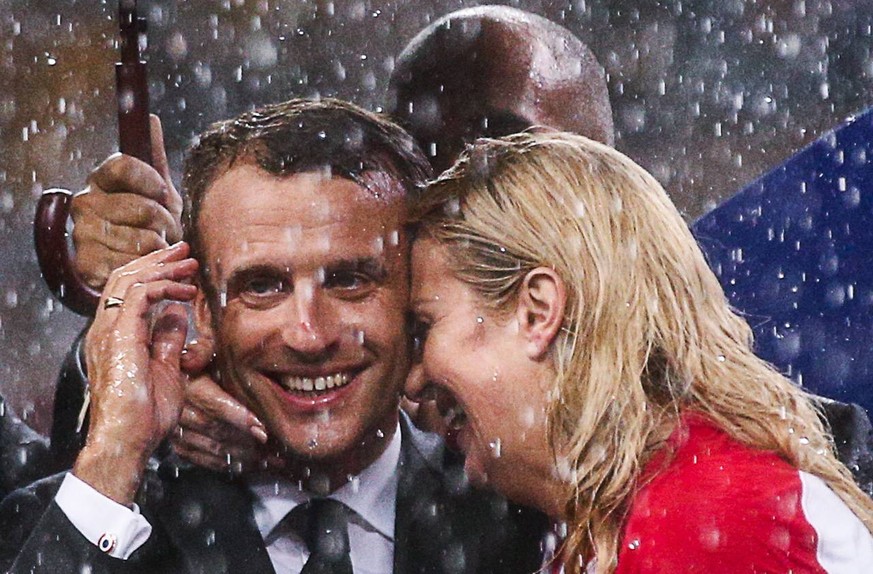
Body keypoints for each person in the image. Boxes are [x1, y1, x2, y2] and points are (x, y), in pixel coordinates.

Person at [0, 99, 545, 573]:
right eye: (262, 286)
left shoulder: (521, 520)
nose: (308, 335)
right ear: (204, 311)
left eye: (350, 280)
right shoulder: (82, 519)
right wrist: (115, 454)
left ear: (414, 297)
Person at [404, 131, 873, 573]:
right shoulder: (639, 512)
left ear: (536, 312)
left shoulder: (707, 521)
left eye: (426, 326)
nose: (413, 379)